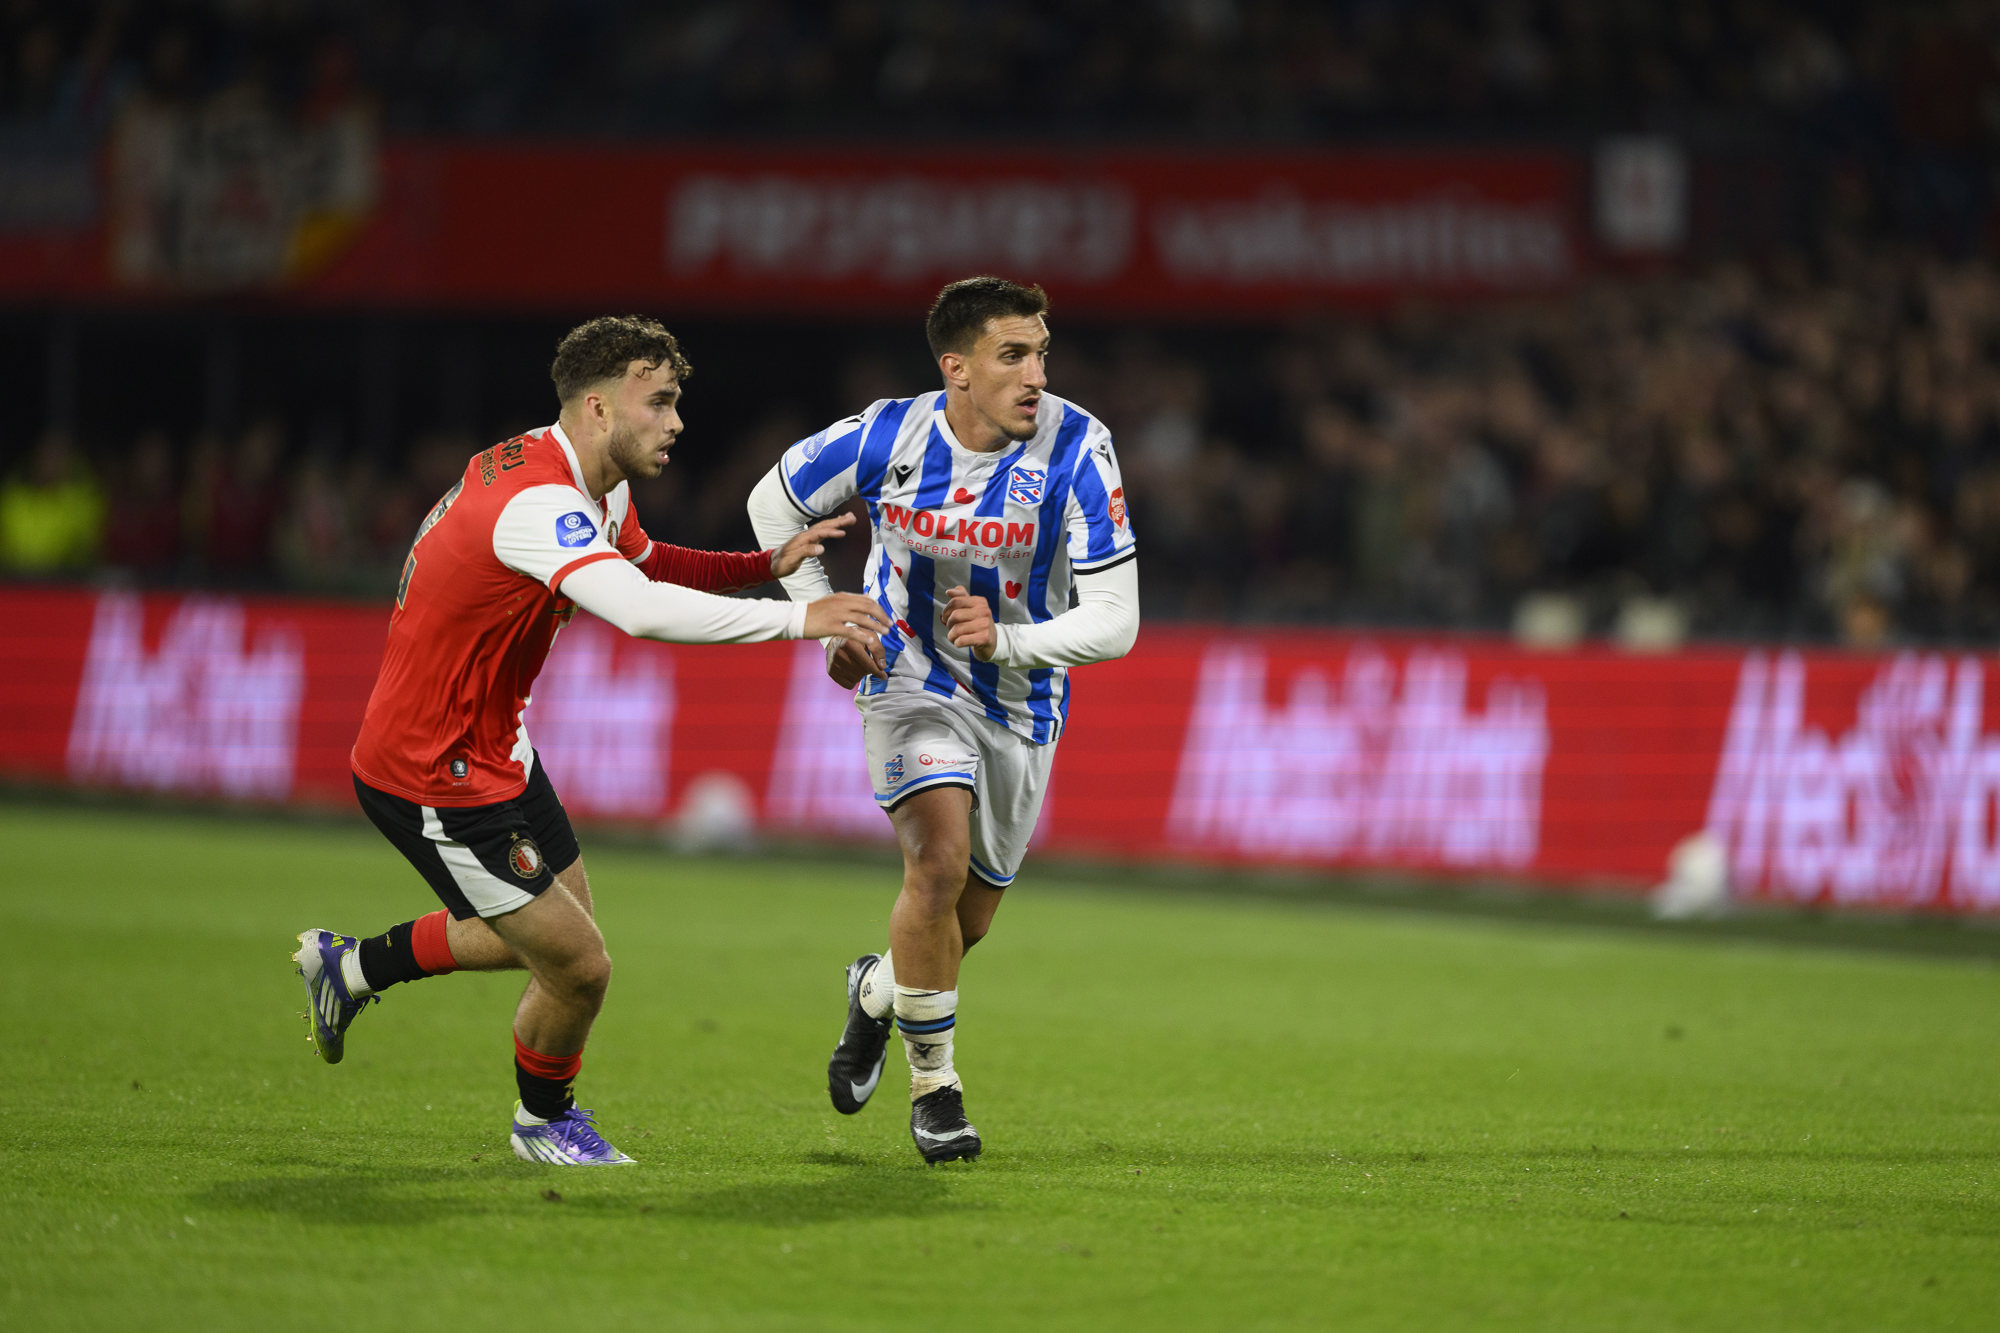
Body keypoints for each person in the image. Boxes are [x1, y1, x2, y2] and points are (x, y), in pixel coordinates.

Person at [293, 315, 888, 1166]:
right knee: (580, 966)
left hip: (498, 747)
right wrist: (801, 617)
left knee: (544, 936)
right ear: (602, 407)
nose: (677, 422)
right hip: (432, 769)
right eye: (662, 402)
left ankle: (349, 971)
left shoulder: (589, 481)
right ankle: (543, 1121)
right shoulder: (537, 502)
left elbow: (645, 562)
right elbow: (640, 610)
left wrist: (762, 562)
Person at [747, 277, 1141, 1163]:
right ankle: (937, 1089)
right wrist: (829, 615)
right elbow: (772, 504)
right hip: (907, 676)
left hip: (1021, 695)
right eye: (1013, 354)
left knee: (963, 924)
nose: (1036, 373)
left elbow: (1117, 617)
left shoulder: (1080, 445)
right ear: (956, 368)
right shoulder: (888, 432)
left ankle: (876, 991)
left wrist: (1008, 639)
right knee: (937, 863)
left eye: (1042, 352)